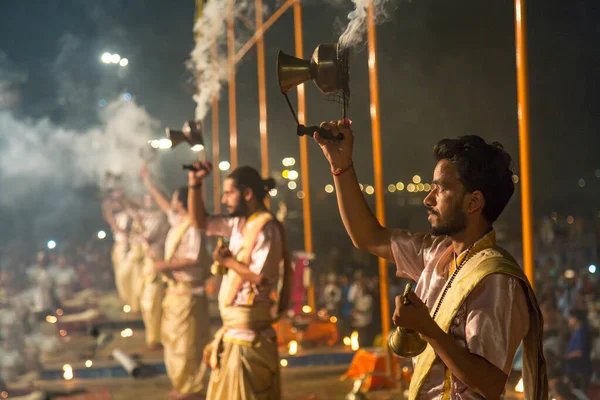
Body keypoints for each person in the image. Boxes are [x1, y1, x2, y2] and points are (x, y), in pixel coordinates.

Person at [314, 122, 547, 400]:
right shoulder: (436, 254)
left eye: (440, 189)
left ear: (473, 203)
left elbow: (490, 384)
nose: (428, 199)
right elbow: (368, 237)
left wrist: (427, 329)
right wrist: (341, 166)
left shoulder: (495, 279)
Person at [187, 164, 293, 400]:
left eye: (228, 193)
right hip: (233, 329)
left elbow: (262, 278)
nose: (224, 199)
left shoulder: (266, 227)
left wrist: (229, 262)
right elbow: (199, 221)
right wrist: (195, 183)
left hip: (248, 333)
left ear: (247, 194)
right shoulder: (237, 224)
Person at [142, 168, 210, 400]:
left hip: (189, 293)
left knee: (188, 344)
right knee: (173, 341)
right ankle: (181, 384)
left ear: (182, 203)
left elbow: (194, 258)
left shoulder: (193, 227)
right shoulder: (179, 220)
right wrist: (148, 182)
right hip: (175, 292)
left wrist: (165, 266)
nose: (170, 204)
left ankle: (191, 387)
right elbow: (163, 205)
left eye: (173, 200)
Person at [565, 309, 593, 392]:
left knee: (579, 393)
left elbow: (579, 352)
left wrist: (564, 357)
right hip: (576, 369)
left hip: (579, 369)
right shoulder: (577, 331)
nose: (568, 321)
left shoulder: (582, 332)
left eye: (570, 318)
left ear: (575, 318)